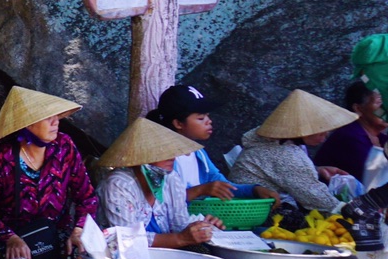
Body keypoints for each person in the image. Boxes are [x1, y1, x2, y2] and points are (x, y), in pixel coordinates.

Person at [0, 87, 97, 259]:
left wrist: (78, 231)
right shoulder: (1, 157)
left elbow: (86, 197)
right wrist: (11, 238)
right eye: (47, 118)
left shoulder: (64, 147)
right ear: (27, 124)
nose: (56, 122)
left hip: (56, 231)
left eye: (56, 116)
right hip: (15, 237)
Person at [96, 117, 223, 247]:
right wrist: (181, 239)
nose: (171, 156)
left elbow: (180, 225)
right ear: (141, 157)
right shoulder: (119, 184)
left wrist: (202, 227)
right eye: (161, 152)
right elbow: (126, 239)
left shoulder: (171, 179)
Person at [145, 84, 278, 203]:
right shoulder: (162, 157)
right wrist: (200, 190)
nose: (209, 121)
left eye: (208, 116)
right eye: (201, 118)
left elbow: (222, 186)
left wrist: (254, 190)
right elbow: (158, 200)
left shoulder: (198, 153)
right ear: (178, 123)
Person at [229, 89, 357, 214]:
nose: (325, 135)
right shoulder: (283, 153)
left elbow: (285, 172)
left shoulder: (279, 143)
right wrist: (347, 210)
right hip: (254, 212)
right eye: (320, 129)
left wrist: (315, 169)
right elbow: (313, 194)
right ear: (303, 129)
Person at [313, 81, 385, 182]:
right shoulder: (349, 136)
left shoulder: (381, 138)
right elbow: (376, 180)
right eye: (380, 103)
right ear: (358, 108)